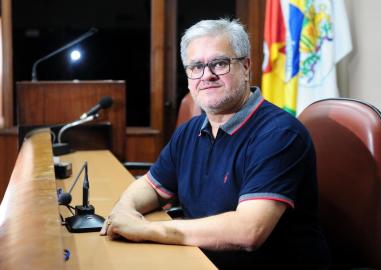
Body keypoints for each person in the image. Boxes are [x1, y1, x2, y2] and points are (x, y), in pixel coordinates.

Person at [100, 18, 330, 269]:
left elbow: (248, 231)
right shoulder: (190, 131)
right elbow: (152, 186)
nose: (206, 75)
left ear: (246, 67)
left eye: (219, 63)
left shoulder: (279, 134)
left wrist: (145, 230)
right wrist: (124, 210)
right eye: (196, 66)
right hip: (201, 260)